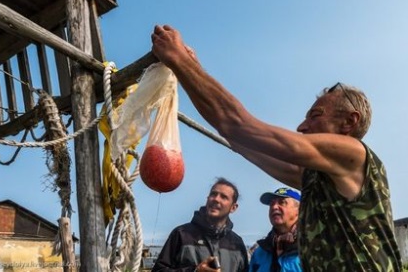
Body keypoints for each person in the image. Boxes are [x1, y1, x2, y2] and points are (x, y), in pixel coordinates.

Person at [151, 25, 403, 271]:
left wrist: (179, 59)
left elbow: (239, 125)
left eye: (315, 115)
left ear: (349, 122)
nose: (302, 126)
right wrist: (188, 69)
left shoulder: (354, 154)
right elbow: (235, 137)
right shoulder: (316, 180)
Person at [151, 177, 249, 272]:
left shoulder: (237, 244)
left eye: (223, 197)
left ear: (233, 208)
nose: (216, 199)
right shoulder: (182, 234)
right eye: (213, 194)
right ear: (207, 199)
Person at [249, 187, 302, 272]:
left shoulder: (312, 247)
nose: (274, 207)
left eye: (282, 202)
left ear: (299, 210)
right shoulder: (260, 253)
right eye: (271, 203)